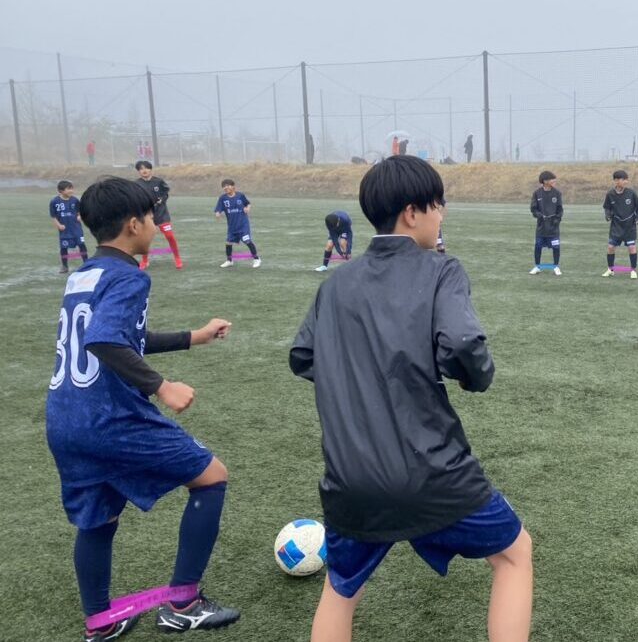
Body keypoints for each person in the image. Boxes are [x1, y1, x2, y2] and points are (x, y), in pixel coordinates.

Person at [289, 155, 533, 642]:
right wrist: (476, 377)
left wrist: (358, 378)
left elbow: (303, 356)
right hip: (433, 472)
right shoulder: (441, 270)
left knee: (340, 589)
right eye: (439, 205)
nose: (442, 215)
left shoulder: (335, 284)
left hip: (350, 480)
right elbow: (462, 344)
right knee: (514, 554)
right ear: (412, 212)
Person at [46, 176, 239, 641]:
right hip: (109, 417)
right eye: (152, 217)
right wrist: (161, 386)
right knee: (211, 476)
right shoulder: (130, 276)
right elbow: (105, 339)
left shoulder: (84, 274)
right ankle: (183, 605)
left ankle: (100, 622)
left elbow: (122, 336)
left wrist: (194, 337)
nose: (156, 224)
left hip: (65, 417)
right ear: (134, 224)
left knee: (98, 517)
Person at [135, 160, 183, 270]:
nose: (144, 170)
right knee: (145, 238)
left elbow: (165, 193)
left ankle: (177, 258)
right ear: (138, 171)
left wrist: (162, 200)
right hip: (146, 215)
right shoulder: (136, 184)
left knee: (170, 236)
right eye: (141, 169)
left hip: (161, 214)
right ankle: (145, 261)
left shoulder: (159, 181)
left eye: (146, 168)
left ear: (150, 169)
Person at [601, 170, 638, 279]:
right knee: (611, 247)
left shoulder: (631, 193)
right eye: (622, 179)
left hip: (629, 226)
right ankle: (610, 269)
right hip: (616, 226)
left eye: (625, 179)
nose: (625, 181)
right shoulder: (610, 194)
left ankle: (633, 270)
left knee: (632, 247)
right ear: (616, 181)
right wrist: (608, 215)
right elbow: (606, 207)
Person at [214, 179, 261, 269]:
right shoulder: (223, 198)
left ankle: (256, 259)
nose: (226, 188)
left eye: (228, 185)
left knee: (247, 241)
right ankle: (229, 261)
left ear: (233, 186)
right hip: (232, 226)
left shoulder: (240, 195)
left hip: (243, 225)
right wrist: (218, 213)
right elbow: (218, 209)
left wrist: (248, 208)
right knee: (228, 243)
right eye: (224, 186)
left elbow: (248, 203)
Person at [50, 180, 89, 274]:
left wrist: (79, 216)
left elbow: (80, 212)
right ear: (61, 191)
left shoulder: (75, 200)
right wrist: (59, 225)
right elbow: (53, 216)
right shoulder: (54, 202)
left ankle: (86, 263)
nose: (71, 191)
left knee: (81, 244)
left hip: (76, 228)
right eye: (68, 189)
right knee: (64, 247)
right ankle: (64, 266)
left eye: (72, 188)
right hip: (65, 230)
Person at [529, 171, 563, 276]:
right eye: (552, 179)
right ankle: (537, 267)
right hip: (541, 227)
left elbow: (560, 209)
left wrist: (557, 219)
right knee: (538, 246)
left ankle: (556, 267)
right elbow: (533, 209)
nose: (554, 181)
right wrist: (539, 215)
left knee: (556, 247)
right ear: (545, 181)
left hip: (553, 227)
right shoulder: (537, 193)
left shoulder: (557, 193)